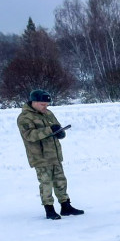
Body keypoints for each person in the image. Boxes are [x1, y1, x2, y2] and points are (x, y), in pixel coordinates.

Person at [17, 90, 84, 220]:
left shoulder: (48, 113)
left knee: (61, 181)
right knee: (46, 183)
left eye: (47, 104)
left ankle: (66, 206)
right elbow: (29, 135)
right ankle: (49, 210)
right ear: (34, 102)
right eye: (43, 104)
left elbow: (56, 126)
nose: (45, 107)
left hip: (55, 154)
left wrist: (60, 133)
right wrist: (49, 130)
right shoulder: (24, 117)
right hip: (40, 157)